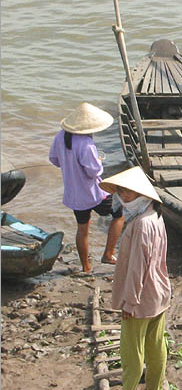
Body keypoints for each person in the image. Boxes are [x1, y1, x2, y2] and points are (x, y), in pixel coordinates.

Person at [98, 166, 172, 390]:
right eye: (119, 191)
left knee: (132, 352)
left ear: (139, 193)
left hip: (140, 297)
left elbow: (138, 267)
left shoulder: (141, 224)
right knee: (156, 346)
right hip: (158, 292)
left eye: (126, 192)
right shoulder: (155, 216)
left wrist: (130, 301)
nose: (121, 196)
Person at [49, 102, 124, 273]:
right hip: (93, 193)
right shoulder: (86, 144)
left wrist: (70, 165)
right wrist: (99, 161)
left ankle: (86, 267)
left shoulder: (61, 136)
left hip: (74, 194)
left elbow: (54, 160)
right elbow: (93, 172)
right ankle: (108, 254)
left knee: (82, 228)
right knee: (119, 215)